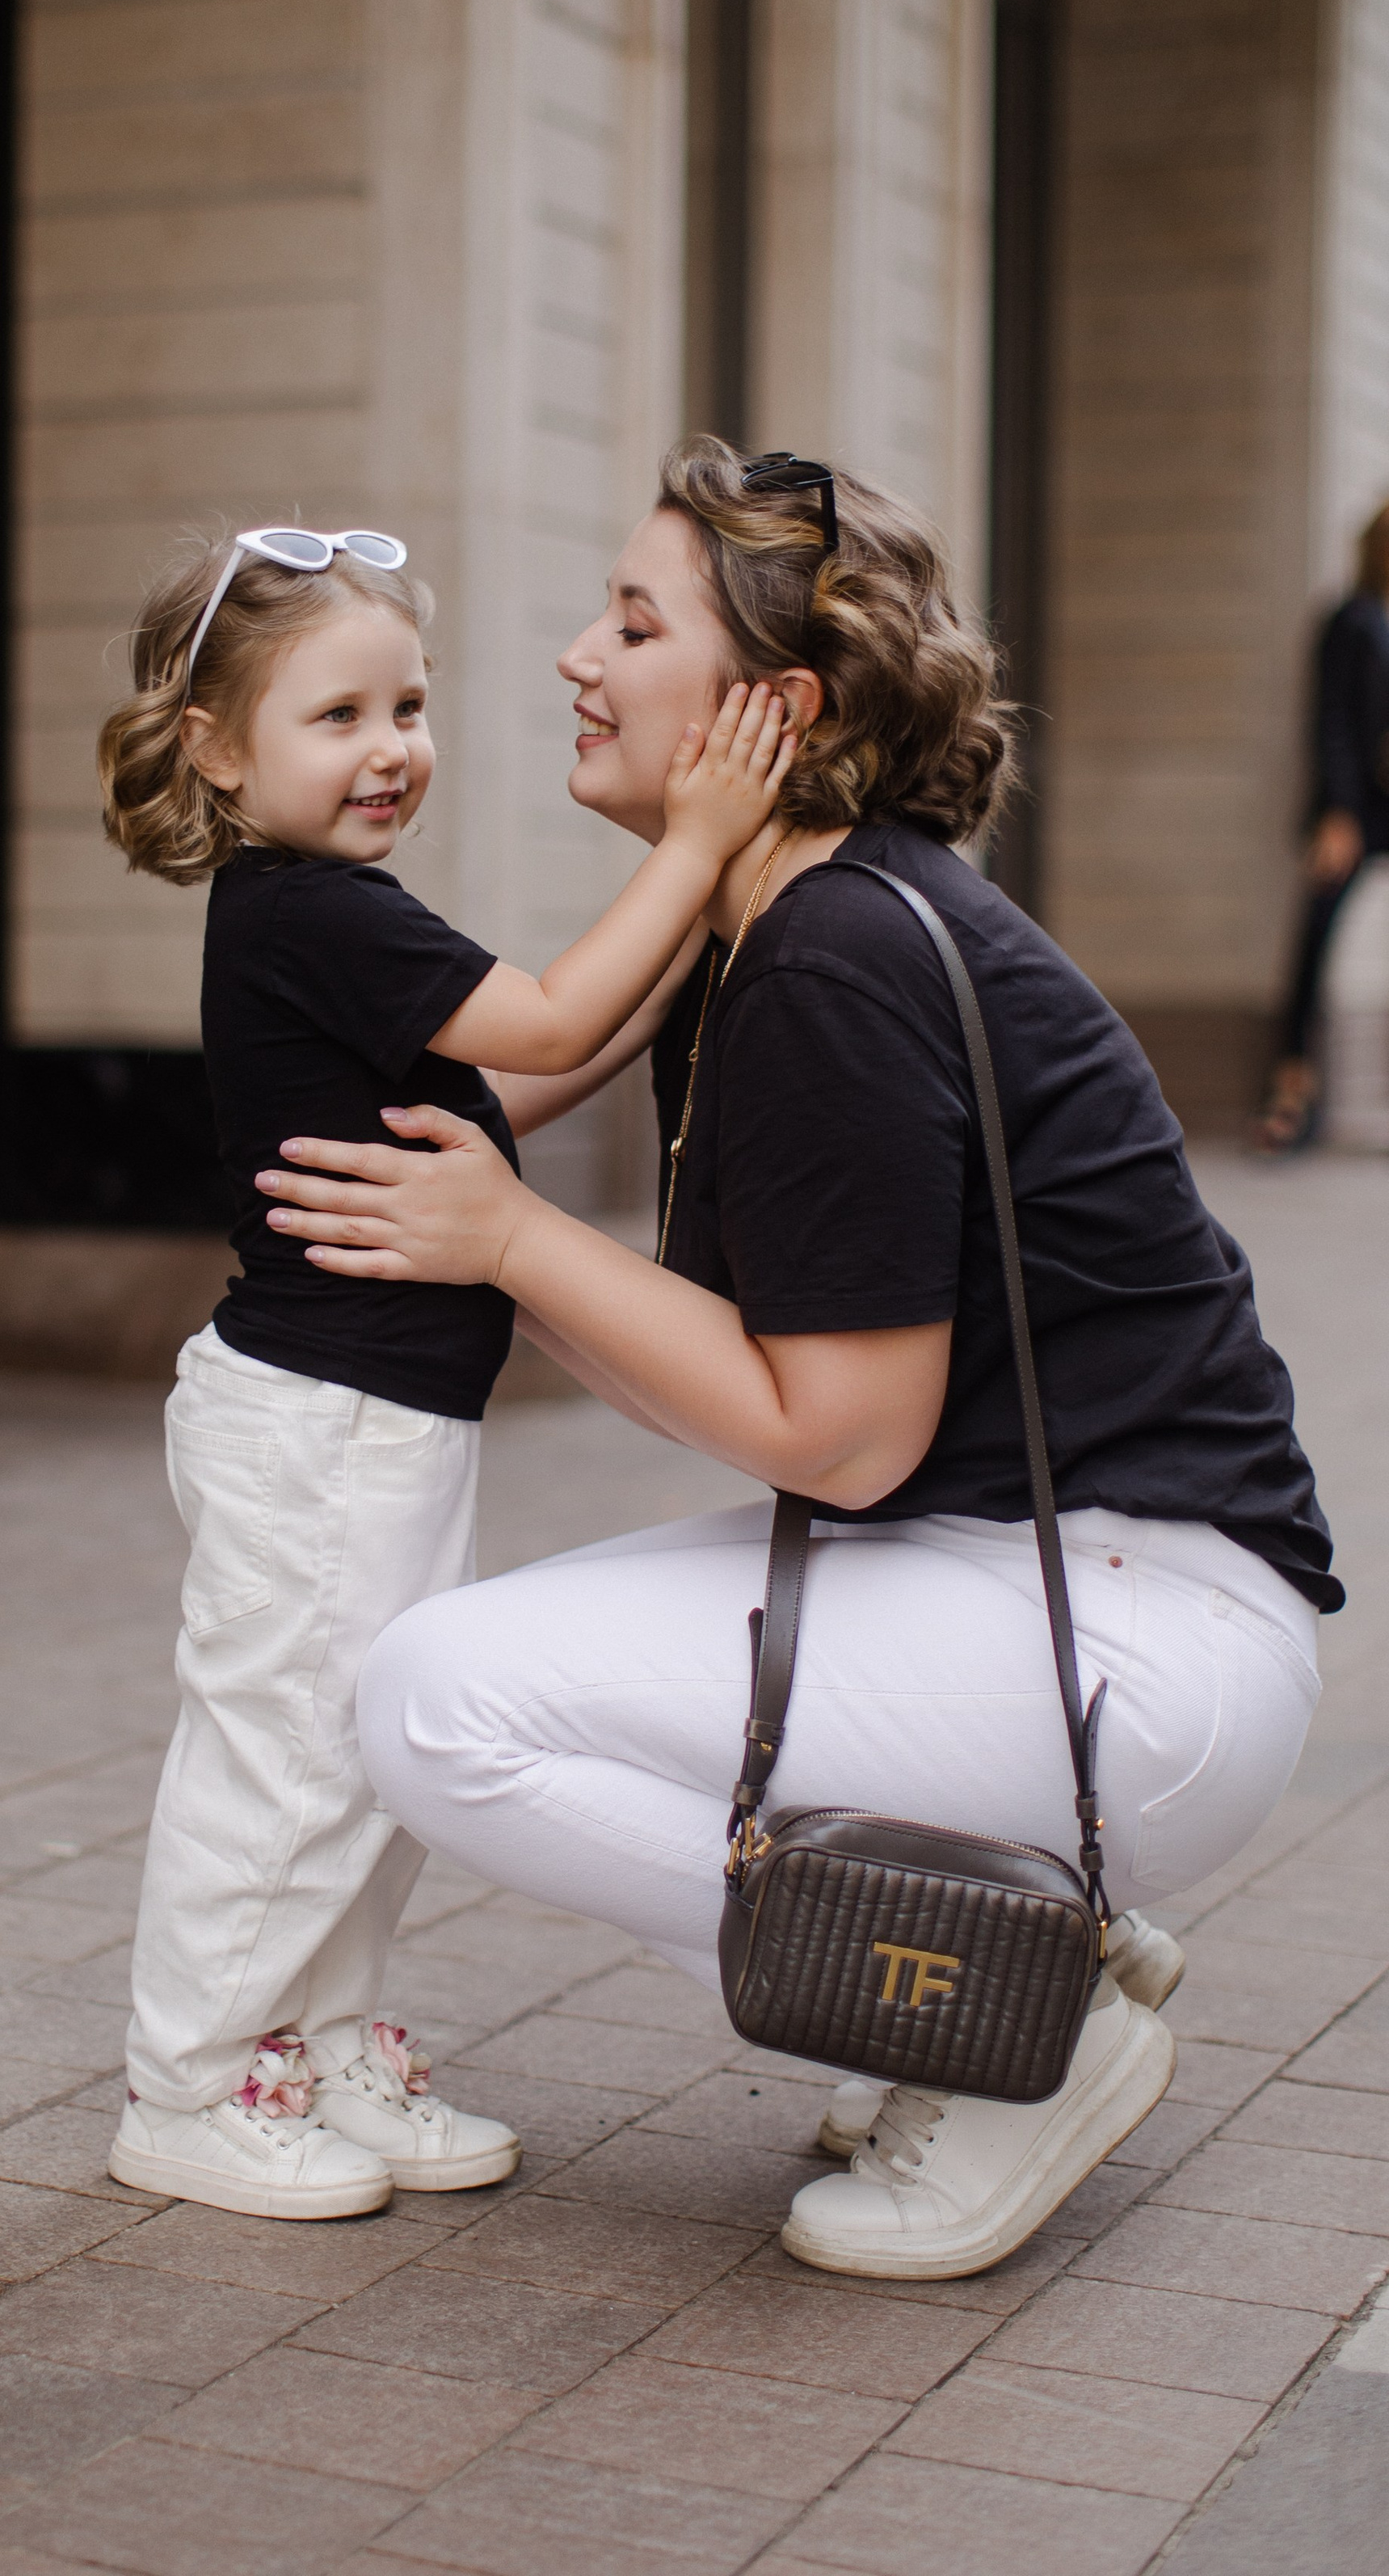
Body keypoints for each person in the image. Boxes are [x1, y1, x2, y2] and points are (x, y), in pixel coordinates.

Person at [255, 436, 1337, 2283]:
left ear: (772, 705)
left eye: (628, 620)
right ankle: (992, 1952)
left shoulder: (831, 955)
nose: (570, 660)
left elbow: (835, 1435)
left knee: (441, 1700)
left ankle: (1005, 2031)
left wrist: (514, 1244)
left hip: (1131, 1639)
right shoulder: (773, 917)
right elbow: (476, 1095)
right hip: (1056, 1592)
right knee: (468, 1674)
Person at [92, 520, 797, 2220]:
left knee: (362, 1758)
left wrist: (691, 936)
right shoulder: (312, 914)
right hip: (318, 1423)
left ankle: (320, 2047)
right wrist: (697, 849)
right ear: (214, 746)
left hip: (372, 1421)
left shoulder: (331, 914)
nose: (389, 747)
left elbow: (499, 1093)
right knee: (287, 1758)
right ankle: (184, 2087)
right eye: (336, 717)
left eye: (404, 706)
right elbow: (548, 1025)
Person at [1255, 499, 1389, 1151]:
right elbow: (1331, 720)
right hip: (1357, 810)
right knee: (1315, 937)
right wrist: (1337, 812)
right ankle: (1291, 1090)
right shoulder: (1352, 620)